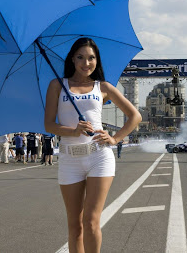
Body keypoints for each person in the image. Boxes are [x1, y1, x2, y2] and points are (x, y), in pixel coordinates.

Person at [45, 37, 141, 252]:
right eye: (80, 57)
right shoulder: (57, 85)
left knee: (91, 221)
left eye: (91, 58)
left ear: (97, 61)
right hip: (70, 158)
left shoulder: (103, 86)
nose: (86, 63)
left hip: (99, 156)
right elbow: (49, 124)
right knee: (75, 225)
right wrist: (73, 131)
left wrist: (115, 139)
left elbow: (134, 116)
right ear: (72, 59)